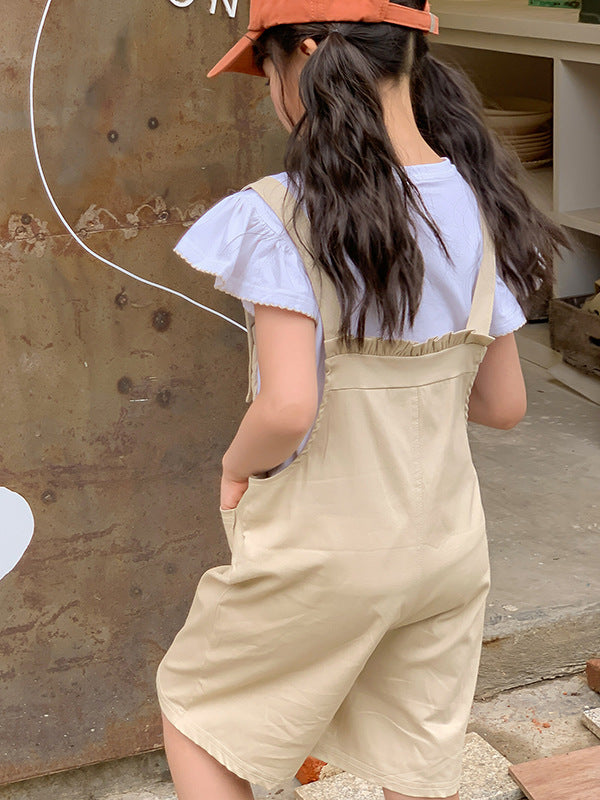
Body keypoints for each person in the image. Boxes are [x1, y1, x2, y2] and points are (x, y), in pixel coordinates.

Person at [155, 2, 569, 799]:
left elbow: (287, 409)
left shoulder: (283, 212)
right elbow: (505, 403)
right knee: (414, 759)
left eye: (268, 69)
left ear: (305, 53)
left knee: (200, 709)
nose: (272, 89)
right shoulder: (478, 200)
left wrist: (234, 468)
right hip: (449, 546)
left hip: (330, 547)